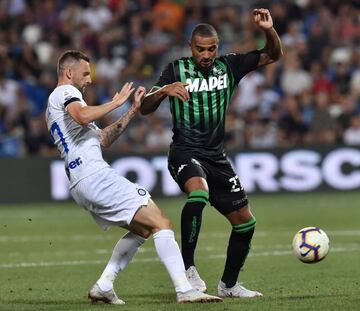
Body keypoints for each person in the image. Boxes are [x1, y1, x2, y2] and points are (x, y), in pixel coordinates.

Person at [45, 50, 222, 304]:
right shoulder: (65, 93)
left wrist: (133, 110)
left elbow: (103, 138)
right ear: (69, 73)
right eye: (85, 74)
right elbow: (81, 115)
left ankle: (104, 285)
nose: (89, 80)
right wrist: (115, 103)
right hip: (94, 175)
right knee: (162, 223)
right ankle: (185, 289)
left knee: (143, 230)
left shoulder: (59, 105)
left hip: (81, 181)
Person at [141, 8, 283, 298]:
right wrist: (164, 90)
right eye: (200, 49)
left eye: (211, 49)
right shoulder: (175, 69)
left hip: (216, 157)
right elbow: (144, 107)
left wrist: (268, 30)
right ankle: (187, 268)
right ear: (190, 47)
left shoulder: (230, 66)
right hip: (184, 151)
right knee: (199, 193)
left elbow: (273, 55)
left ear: (217, 48)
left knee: (246, 223)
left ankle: (229, 285)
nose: (206, 55)